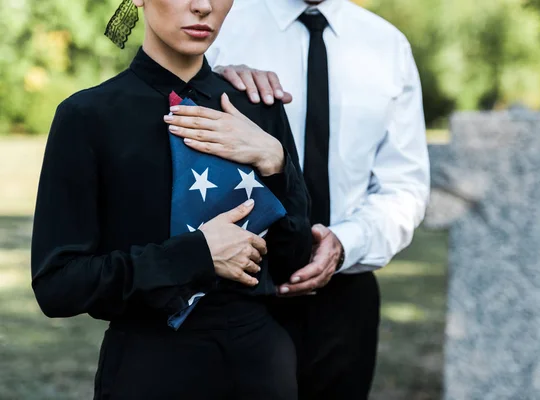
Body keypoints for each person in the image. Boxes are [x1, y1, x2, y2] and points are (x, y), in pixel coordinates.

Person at [30, 0, 312, 399]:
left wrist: (275, 161)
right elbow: (58, 286)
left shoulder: (257, 107)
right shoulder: (87, 116)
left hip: (262, 370)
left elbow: (294, 262)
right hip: (151, 370)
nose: (202, 6)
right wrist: (195, 256)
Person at [196, 0, 431, 398]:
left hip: (343, 299)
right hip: (233, 291)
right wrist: (206, 84)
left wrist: (345, 244)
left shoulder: (388, 46)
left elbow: (403, 186)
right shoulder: (215, 24)